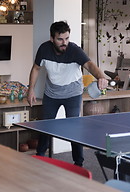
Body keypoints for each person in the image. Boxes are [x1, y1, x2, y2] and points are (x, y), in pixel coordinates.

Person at [27, 21, 108, 167]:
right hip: (52, 94)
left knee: (73, 128)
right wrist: (30, 89)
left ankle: (78, 162)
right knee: (46, 126)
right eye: (60, 39)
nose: (64, 42)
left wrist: (101, 76)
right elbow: (36, 69)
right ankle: (39, 156)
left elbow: (89, 65)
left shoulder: (74, 50)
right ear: (52, 39)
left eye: (67, 38)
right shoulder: (44, 49)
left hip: (73, 94)